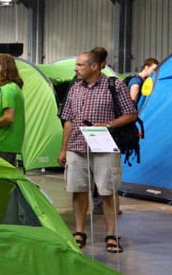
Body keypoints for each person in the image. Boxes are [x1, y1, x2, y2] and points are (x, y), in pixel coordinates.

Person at [58, 50, 138, 253]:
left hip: (104, 147)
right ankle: (79, 232)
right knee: (78, 189)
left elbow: (131, 114)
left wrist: (108, 124)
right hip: (77, 147)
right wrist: (63, 149)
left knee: (108, 191)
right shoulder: (74, 88)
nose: (76, 68)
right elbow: (67, 120)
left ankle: (111, 234)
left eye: (80, 65)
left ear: (94, 67)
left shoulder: (114, 85)